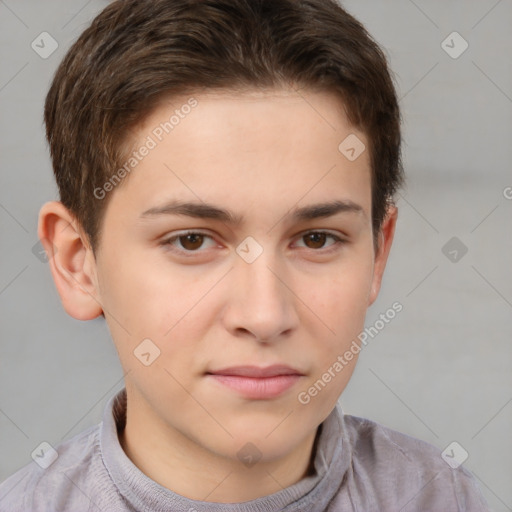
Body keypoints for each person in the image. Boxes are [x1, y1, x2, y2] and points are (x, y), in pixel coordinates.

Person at [0, 0, 490, 510]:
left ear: (378, 253)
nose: (264, 316)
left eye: (317, 239)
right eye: (192, 240)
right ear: (78, 263)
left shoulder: (442, 496)